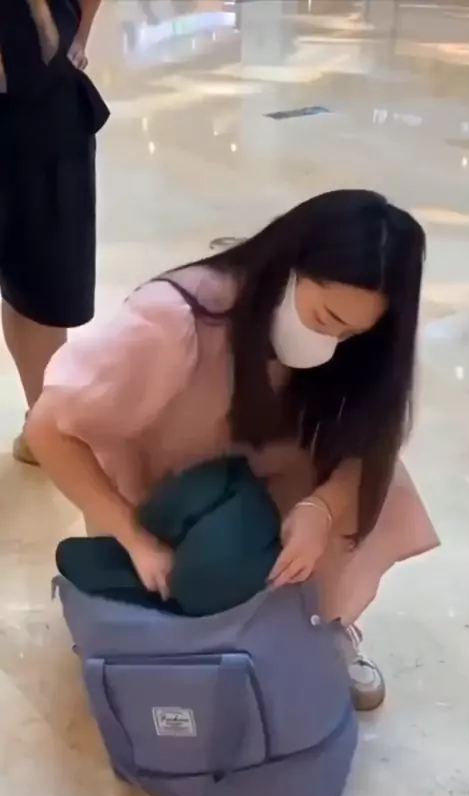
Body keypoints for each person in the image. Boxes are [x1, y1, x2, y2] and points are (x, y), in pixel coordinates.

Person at [27, 189, 439, 711]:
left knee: (382, 482)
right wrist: (134, 537)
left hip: (266, 478)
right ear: (289, 267)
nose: (331, 342)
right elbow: (48, 430)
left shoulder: (353, 351)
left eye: (352, 332)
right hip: (169, 495)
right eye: (324, 317)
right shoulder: (177, 319)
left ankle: (320, 622)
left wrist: (321, 509)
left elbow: (369, 441)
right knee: (210, 578)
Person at [0, 0, 107, 463]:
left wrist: (77, 37)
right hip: (39, 86)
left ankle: (43, 424)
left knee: (42, 276)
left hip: (42, 97)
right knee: (39, 270)